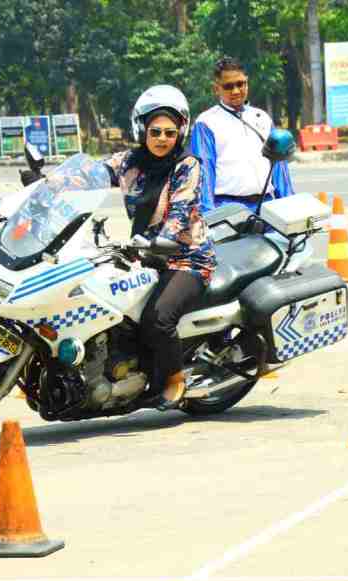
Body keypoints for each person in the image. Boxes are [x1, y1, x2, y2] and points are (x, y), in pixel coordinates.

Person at [102, 85, 217, 411]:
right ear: (142, 130)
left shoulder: (187, 165)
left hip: (187, 258)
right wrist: (48, 182)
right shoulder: (128, 162)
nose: (163, 138)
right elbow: (91, 174)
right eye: (155, 131)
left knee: (157, 319)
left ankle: (174, 380)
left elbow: (181, 210)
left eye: (170, 132)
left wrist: (163, 239)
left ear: (181, 132)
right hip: (144, 255)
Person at [190, 57, 294, 215]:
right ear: (216, 88)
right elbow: (204, 173)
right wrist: (208, 215)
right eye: (228, 86)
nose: (236, 91)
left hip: (267, 204)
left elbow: (279, 168)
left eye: (240, 84)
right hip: (227, 207)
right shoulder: (206, 123)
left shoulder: (262, 117)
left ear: (247, 83)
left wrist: (289, 205)